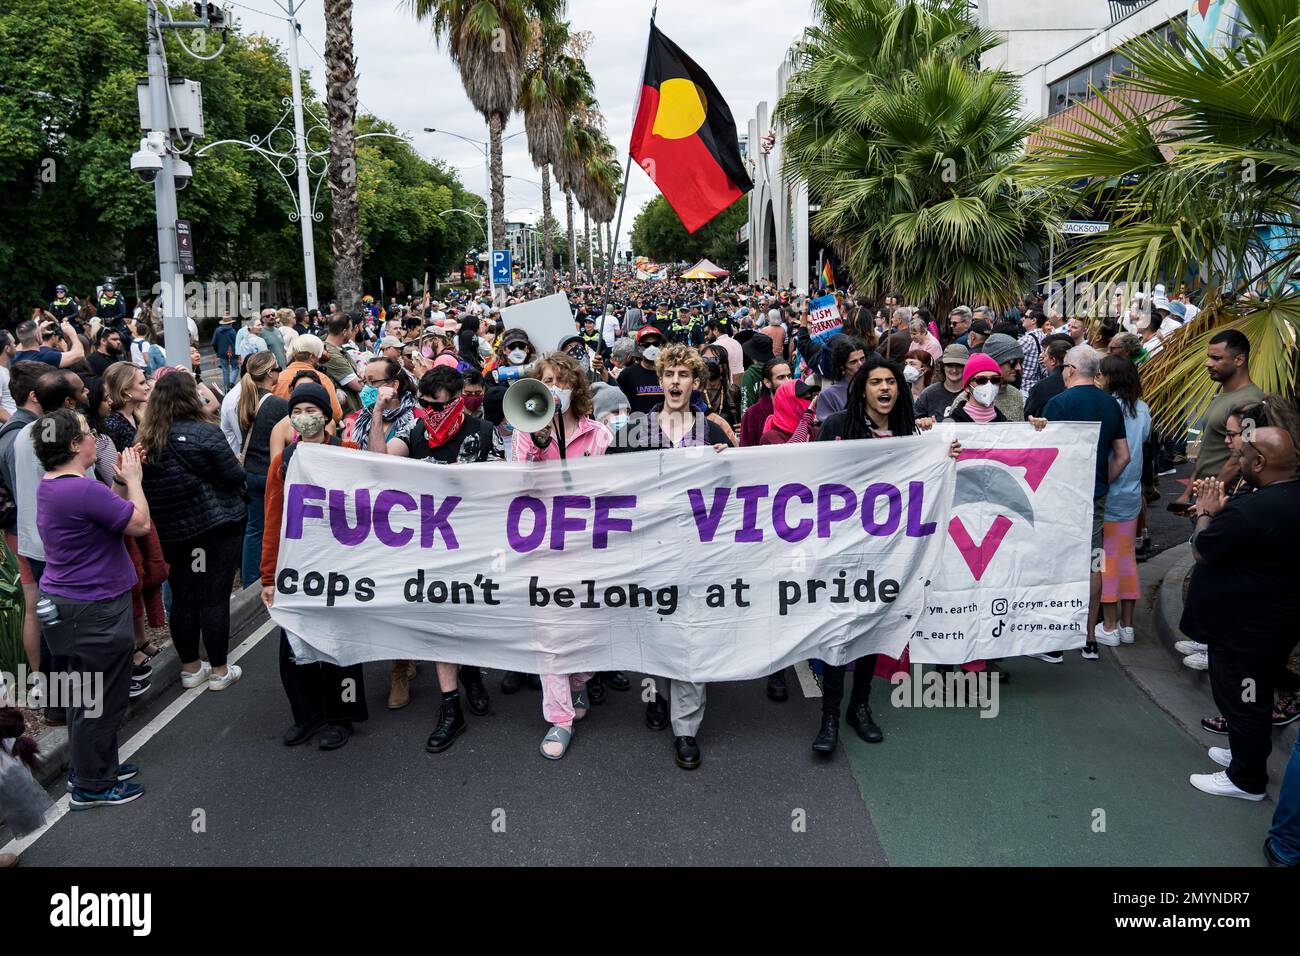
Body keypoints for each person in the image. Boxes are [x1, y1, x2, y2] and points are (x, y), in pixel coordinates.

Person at [813, 354, 958, 753]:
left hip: (890, 552)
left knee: (871, 630)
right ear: (862, 389)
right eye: (875, 382)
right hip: (842, 551)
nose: (884, 389)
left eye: (890, 382)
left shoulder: (914, 435)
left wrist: (946, 454)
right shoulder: (836, 427)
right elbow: (807, 479)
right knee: (838, 633)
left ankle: (858, 708)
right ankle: (828, 718)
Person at [609, 344, 732, 770]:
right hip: (648, 553)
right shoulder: (633, 430)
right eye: (669, 374)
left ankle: (686, 728)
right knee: (654, 631)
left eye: (684, 375)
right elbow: (607, 484)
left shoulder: (712, 432)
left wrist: (726, 464)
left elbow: (738, 493)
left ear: (696, 382)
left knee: (689, 635)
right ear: (659, 381)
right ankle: (657, 696)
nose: (676, 382)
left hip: (696, 554)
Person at [367, 366, 495, 736]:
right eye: (425, 404)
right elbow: (379, 463)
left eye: (439, 405)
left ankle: (472, 675)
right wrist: (378, 414)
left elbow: (509, 485)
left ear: (458, 401)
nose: (431, 411)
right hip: (430, 551)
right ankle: (451, 707)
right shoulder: (414, 430)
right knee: (443, 626)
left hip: (475, 550)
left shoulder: (484, 434)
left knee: (470, 624)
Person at [33, 408, 152, 808]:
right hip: (92, 607)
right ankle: (93, 785)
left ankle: (92, 769)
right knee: (98, 699)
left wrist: (118, 481)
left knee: (85, 696)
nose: (95, 438)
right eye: (88, 433)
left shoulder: (57, 485)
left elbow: (108, 516)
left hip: (72, 605)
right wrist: (135, 481)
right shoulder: (81, 489)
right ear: (72, 445)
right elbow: (138, 524)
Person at [1181, 428, 1300, 801]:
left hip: (1244, 628)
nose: (1238, 457)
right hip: (1277, 623)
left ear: (1260, 462)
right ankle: (1244, 753)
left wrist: (1205, 513)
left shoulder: (1251, 510)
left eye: (1244, 453)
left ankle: (1245, 779)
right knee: (1254, 694)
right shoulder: (1285, 499)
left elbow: (1204, 549)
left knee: (1243, 698)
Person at [513, 353, 613, 759]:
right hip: (542, 550)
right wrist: (538, 443)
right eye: (546, 380)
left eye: (560, 380)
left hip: (587, 549)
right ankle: (559, 719)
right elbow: (518, 484)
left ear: (575, 387)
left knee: (584, 629)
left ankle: (579, 681)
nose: (553, 387)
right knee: (550, 635)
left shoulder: (598, 435)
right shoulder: (526, 433)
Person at [261, 382, 369, 750]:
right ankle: (306, 715)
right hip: (298, 568)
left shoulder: (350, 453)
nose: (304, 418)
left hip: (340, 567)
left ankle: (342, 717)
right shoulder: (285, 461)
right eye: (298, 411)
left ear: (327, 415)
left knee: (339, 647)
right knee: (294, 645)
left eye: (312, 410)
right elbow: (272, 519)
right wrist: (268, 576)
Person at [138, 371, 247, 692]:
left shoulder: (146, 442)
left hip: (171, 534)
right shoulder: (205, 433)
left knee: (184, 599)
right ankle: (219, 670)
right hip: (214, 529)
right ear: (190, 397)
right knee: (213, 599)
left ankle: (189, 668)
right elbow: (234, 476)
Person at [1030, 345, 1130, 662]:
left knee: (1055, 563)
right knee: (1094, 562)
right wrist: (1102, 482)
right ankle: (1089, 638)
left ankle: (1054, 642)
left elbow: (1041, 454)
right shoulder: (1111, 405)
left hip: (1059, 497)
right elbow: (1124, 455)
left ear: (1070, 370)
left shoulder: (1058, 403)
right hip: (1095, 497)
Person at [1093, 356, 1151, 647]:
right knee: (1126, 557)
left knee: (1107, 560)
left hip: (1112, 492)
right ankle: (1127, 625)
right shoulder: (1143, 408)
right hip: (1132, 493)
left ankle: (1111, 624)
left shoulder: (1108, 407)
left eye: (1101, 375)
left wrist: (1104, 482)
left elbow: (1120, 454)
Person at [1173, 330, 1265, 513]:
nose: (1208, 363)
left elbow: (1241, 456)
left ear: (1239, 360)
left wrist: (1211, 499)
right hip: (1206, 494)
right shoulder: (1222, 396)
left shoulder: (1251, 401)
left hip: (1226, 498)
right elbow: (1207, 449)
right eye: (1209, 357)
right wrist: (1187, 493)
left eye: (1216, 358)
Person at [0, 363, 49, 676]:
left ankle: (45, 685)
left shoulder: (12, 432)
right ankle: (48, 684)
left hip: (21, 531)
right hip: (30, 534)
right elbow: (30, 496)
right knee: (39, 609)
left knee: (36, 608)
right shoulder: (24, 436)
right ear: (35, 395)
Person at [224, 352, 284, 588]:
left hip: (248, 471)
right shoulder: (278, 405)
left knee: (254, 529)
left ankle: (250, 581)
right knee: (271, 529)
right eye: (278, 368)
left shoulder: (241, 401)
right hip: (269, 473)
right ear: (270, 373)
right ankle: (271, 573)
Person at [273, 334, 343, 422]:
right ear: (312, 357)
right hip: (313, 432)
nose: (319, 358)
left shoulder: (278, 377)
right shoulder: (322, 379)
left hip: (281, 431)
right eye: (319, 355)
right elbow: (336, 415)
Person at [739, 358, 791, 448]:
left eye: (789, 376)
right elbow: (745, 450)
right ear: (767, 383)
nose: (788, 381)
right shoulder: (752, 414)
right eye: (781, 377)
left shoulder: (798, 407)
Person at [617, 326, 667, 416]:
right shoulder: (627, 375)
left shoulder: (670, 373)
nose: (651, 347)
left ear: (661, 346)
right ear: (639, 348)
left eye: (655, 344)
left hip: (666, 426)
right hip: (637, 427)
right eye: (646, 345)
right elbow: (621, 405)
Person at [944, 353, 1007, 424]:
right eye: (981, 380)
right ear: (967, 387)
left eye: (995, 380)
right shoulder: (952, 424)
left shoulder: (1008, 426)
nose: (989, 385)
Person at [975, 333, 1025, 421]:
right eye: (1013, 362)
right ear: (996, 363)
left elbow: (1019, 433)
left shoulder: (1016, 395)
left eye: (1020, 362)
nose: (1018, 368)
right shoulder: (967, 399)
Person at [913, 344, 968, 421]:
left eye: (959, 366)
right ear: (943, 366)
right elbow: (915, 421)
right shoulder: (928, 394)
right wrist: (925, 422)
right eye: (950, 365)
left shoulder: (972, 394)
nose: (954, 370)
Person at [14, 319, 84, 369]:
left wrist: (39, 331)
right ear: (37, 335)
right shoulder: (45, 356)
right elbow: (79, 354)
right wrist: (72, 333)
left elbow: (24, 338)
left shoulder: (14, 356)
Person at [212, 313, 239, 392]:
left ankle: (226, 389)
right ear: (230, 323)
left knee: (225, 370)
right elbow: (236, 343)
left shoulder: (217, 330)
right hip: (233, 354)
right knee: (235, 368)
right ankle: (231, 384)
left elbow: (213, 343)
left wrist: (217, 352)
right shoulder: (232, 331)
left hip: (222, 354)